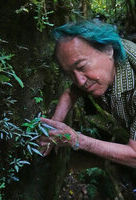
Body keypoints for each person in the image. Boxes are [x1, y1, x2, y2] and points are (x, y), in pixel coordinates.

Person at [40, 21, 136, 168]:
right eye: (70, 74)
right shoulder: (104, 61)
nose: (79, 81)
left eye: (81, 67)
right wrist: (53, 127)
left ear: (109, 50)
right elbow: (71, 93)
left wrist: (76, 140)